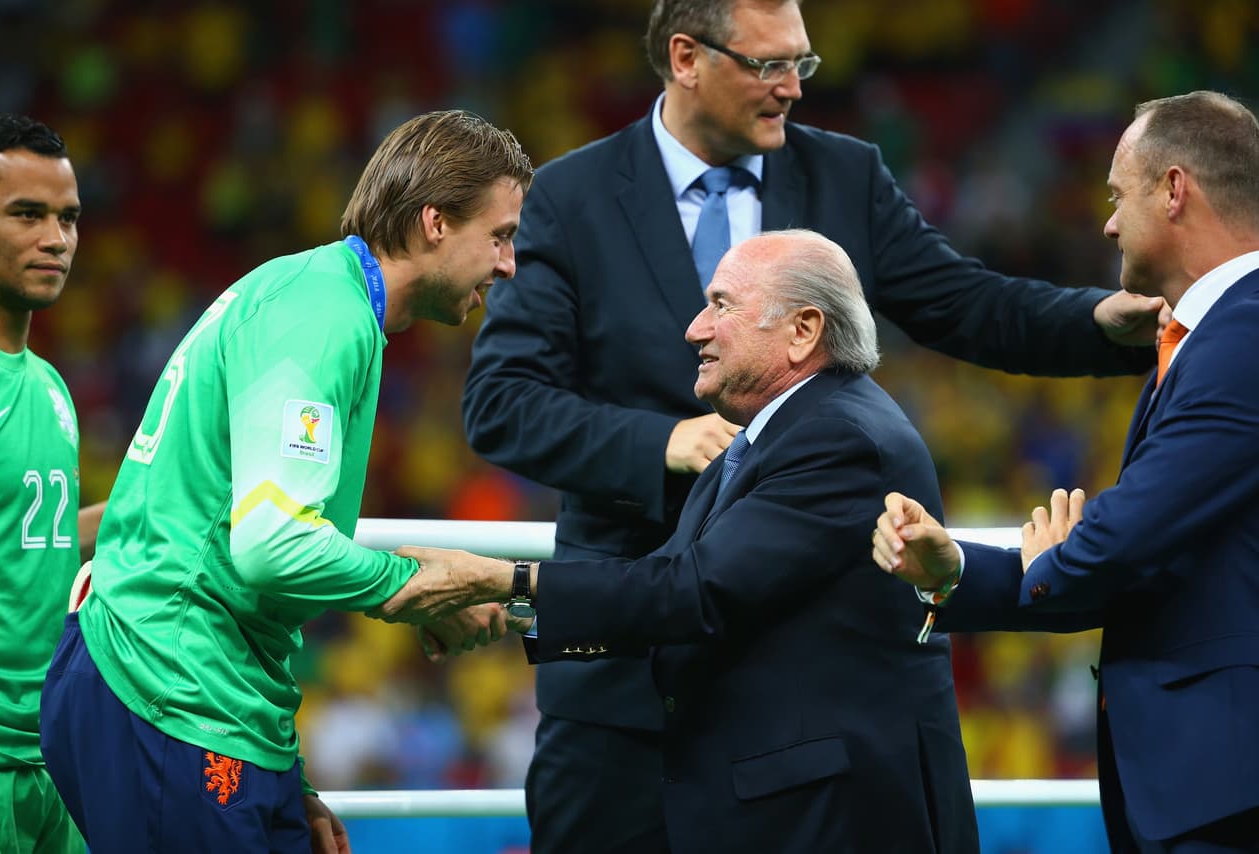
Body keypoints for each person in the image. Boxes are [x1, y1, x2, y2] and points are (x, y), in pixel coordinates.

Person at [460, 0, 1162, 849]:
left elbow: (965, 303)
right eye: (768, 64)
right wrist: (661, 443)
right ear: (685, 58)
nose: (792, 86)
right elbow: (501, 402)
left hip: (802, 689)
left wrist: (1097, 321)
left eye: (802, 63)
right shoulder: (569, 196)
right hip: (623, 674)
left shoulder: (844, 175)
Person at [38, 110, 534, 854]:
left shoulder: (321, 300)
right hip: (167, 691)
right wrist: (420, 585)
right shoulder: (322, 318)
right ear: (435, 222)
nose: (509, 264)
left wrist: (282, 772)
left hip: (208, 701)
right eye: (500, 236)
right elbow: (271, 546)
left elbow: (240, 555)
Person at [396, 229, 979, 853]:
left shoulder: (838, 439)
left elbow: (690, 594)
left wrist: (499, 579)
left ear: (803, 331)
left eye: (721, 305)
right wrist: (508, 607)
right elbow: (670, 586)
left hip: (835, 817)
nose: (695, 329)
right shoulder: (774, 434)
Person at [871, 90, 1259, 853]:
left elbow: (1125, 539)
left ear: (1174, 190)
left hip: (1228, 788)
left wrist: (1065, 557)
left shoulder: (1244, 332)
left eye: (1117, 195)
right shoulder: (1206, 334)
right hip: (1207, 785)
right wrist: (953, 572)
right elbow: (1136, 559)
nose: (1108, 223)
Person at [0, 114, 108, 854]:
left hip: (51, 763)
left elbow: (38, 535)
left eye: (68, 218)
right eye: (27, 214)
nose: (56, 238)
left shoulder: (51, 385)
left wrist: (162, 500)